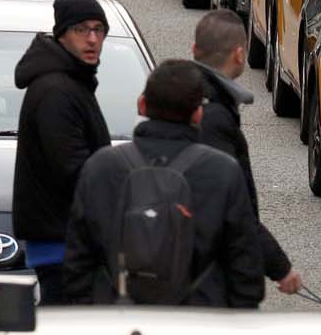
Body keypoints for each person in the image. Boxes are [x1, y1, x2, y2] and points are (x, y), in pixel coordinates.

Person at [63, 59, 264, 307]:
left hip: (118, 326)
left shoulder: (101, 168)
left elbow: (77, 264)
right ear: (198, 113)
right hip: (199, 325)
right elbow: (246, 270)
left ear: (142, 105)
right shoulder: (223, 172)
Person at [12, 0, 113, 303]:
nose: (93, 39)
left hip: (70, 244)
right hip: (65, 247)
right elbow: (74, 170)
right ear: (62, 34)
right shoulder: (57, 91)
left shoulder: (72, 82)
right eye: (82, 30)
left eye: (99, 29)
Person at [191, 11, 302, 295]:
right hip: (213, 276)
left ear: (194, 50)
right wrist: (279, 266)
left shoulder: (190, 99)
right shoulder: (215, 116)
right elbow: (232, 207)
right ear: (240, 55)